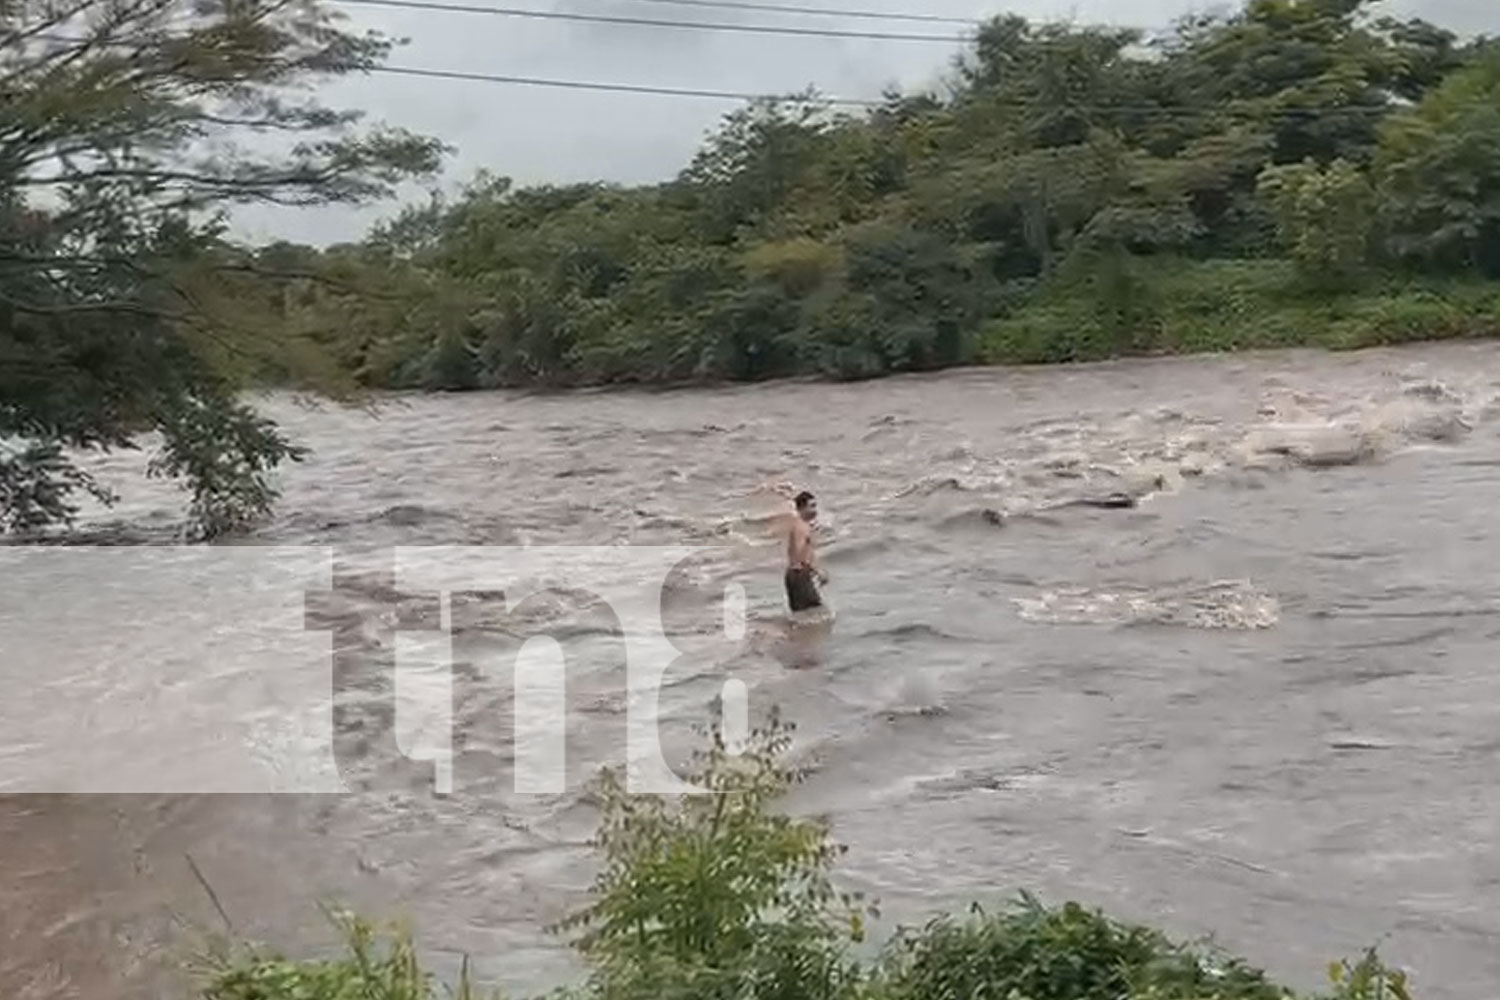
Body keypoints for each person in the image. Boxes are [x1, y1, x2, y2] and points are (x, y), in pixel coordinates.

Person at [784, 490, 827, 612]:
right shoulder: (801, 527)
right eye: (812, 506)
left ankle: (795, 630)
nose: (815, 510)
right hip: (799, 574)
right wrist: (818, 571)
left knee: (803, 612)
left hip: (797, 574)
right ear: (802, 508)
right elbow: (799, 553)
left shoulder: (799, 525)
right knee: (814, 611)